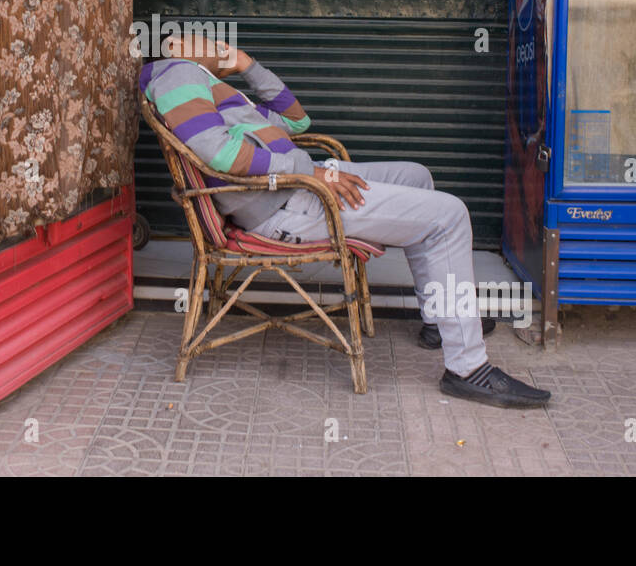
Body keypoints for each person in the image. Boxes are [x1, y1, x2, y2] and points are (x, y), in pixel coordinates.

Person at [142, 35, 550, 409]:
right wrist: (311, 174)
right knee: (450, 215)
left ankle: (438, 322)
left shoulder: (210, 87)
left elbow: (298, 121)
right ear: (177, 43)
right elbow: (220, 155)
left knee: (417, 175)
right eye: (203, 36)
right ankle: (468, 367)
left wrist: (247, 65)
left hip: (296, 185)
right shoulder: (177, 73)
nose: (216, 40)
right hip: (288, 204)